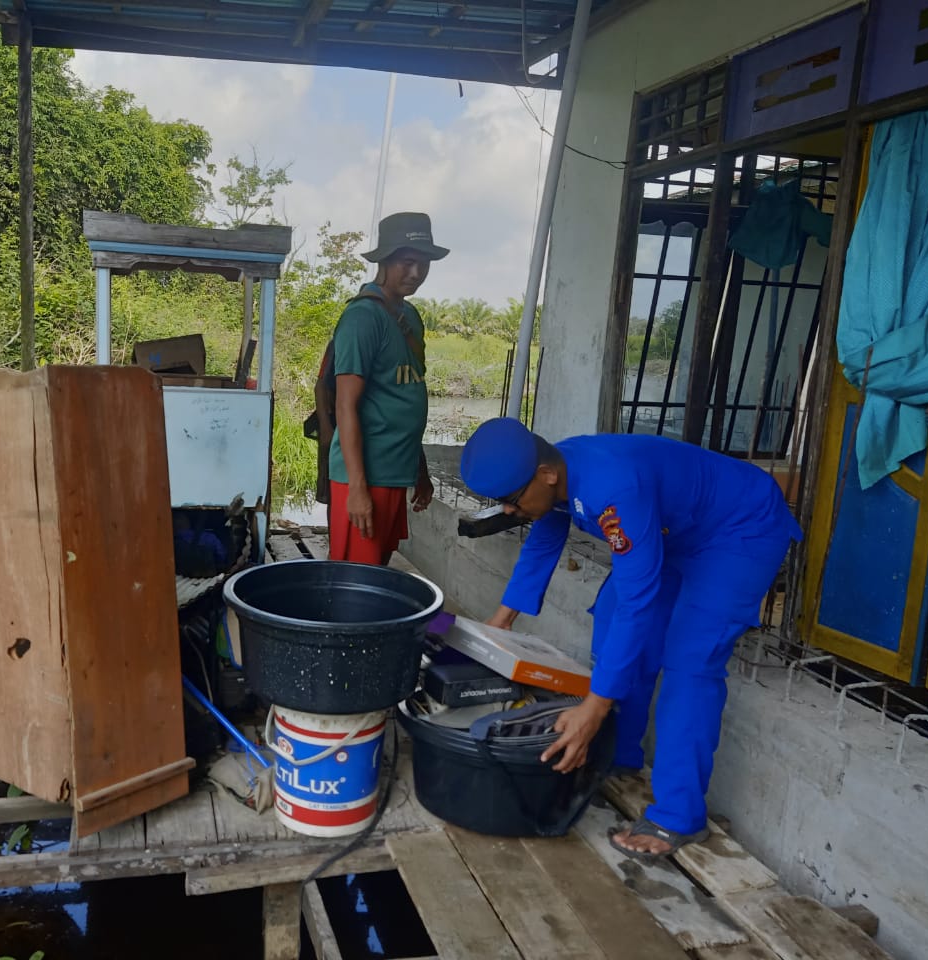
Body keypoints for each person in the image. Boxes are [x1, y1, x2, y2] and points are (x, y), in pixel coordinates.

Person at [459, 418, 802, 861]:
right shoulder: (555, 471)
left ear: (546, 476)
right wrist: (501, 621)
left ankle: (678, 816)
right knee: (610, 619)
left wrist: (593, 707)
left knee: (689, 661)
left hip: (738, 531)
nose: (508, 511)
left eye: (511, 501)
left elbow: (638, 603)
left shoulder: (612, 486)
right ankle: (618, 756)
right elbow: (544, 541)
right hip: (671, 531)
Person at [327, 212, 446, 565]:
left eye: (423, 264)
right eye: (407, 263)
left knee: (377, 575)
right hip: (368, 474)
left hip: (397, 471)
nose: (416, 274)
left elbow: (406, 397)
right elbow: (345, 406)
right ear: (384, 261)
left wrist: (419, 471)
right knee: (354, 584)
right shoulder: (363, 317)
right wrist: (358, 488)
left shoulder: (410, 318)